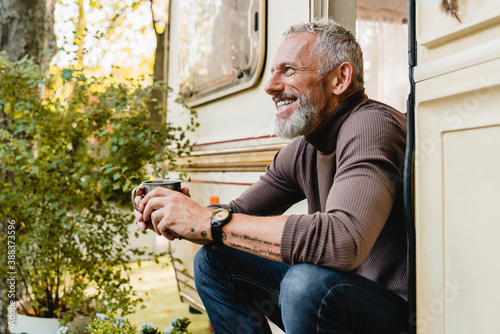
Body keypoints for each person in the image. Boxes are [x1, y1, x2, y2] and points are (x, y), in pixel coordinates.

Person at [134, 18, 409, 334]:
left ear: (340, 78)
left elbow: (342, 240)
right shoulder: (305, 148)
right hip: (339, 298)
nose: (270, 86)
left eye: (289, 71)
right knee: (214, 260)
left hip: (393, 315)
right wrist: (183, 215)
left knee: (303, 283)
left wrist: (206, 221)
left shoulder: (372, 124)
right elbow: (236, 216)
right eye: (273, 72)